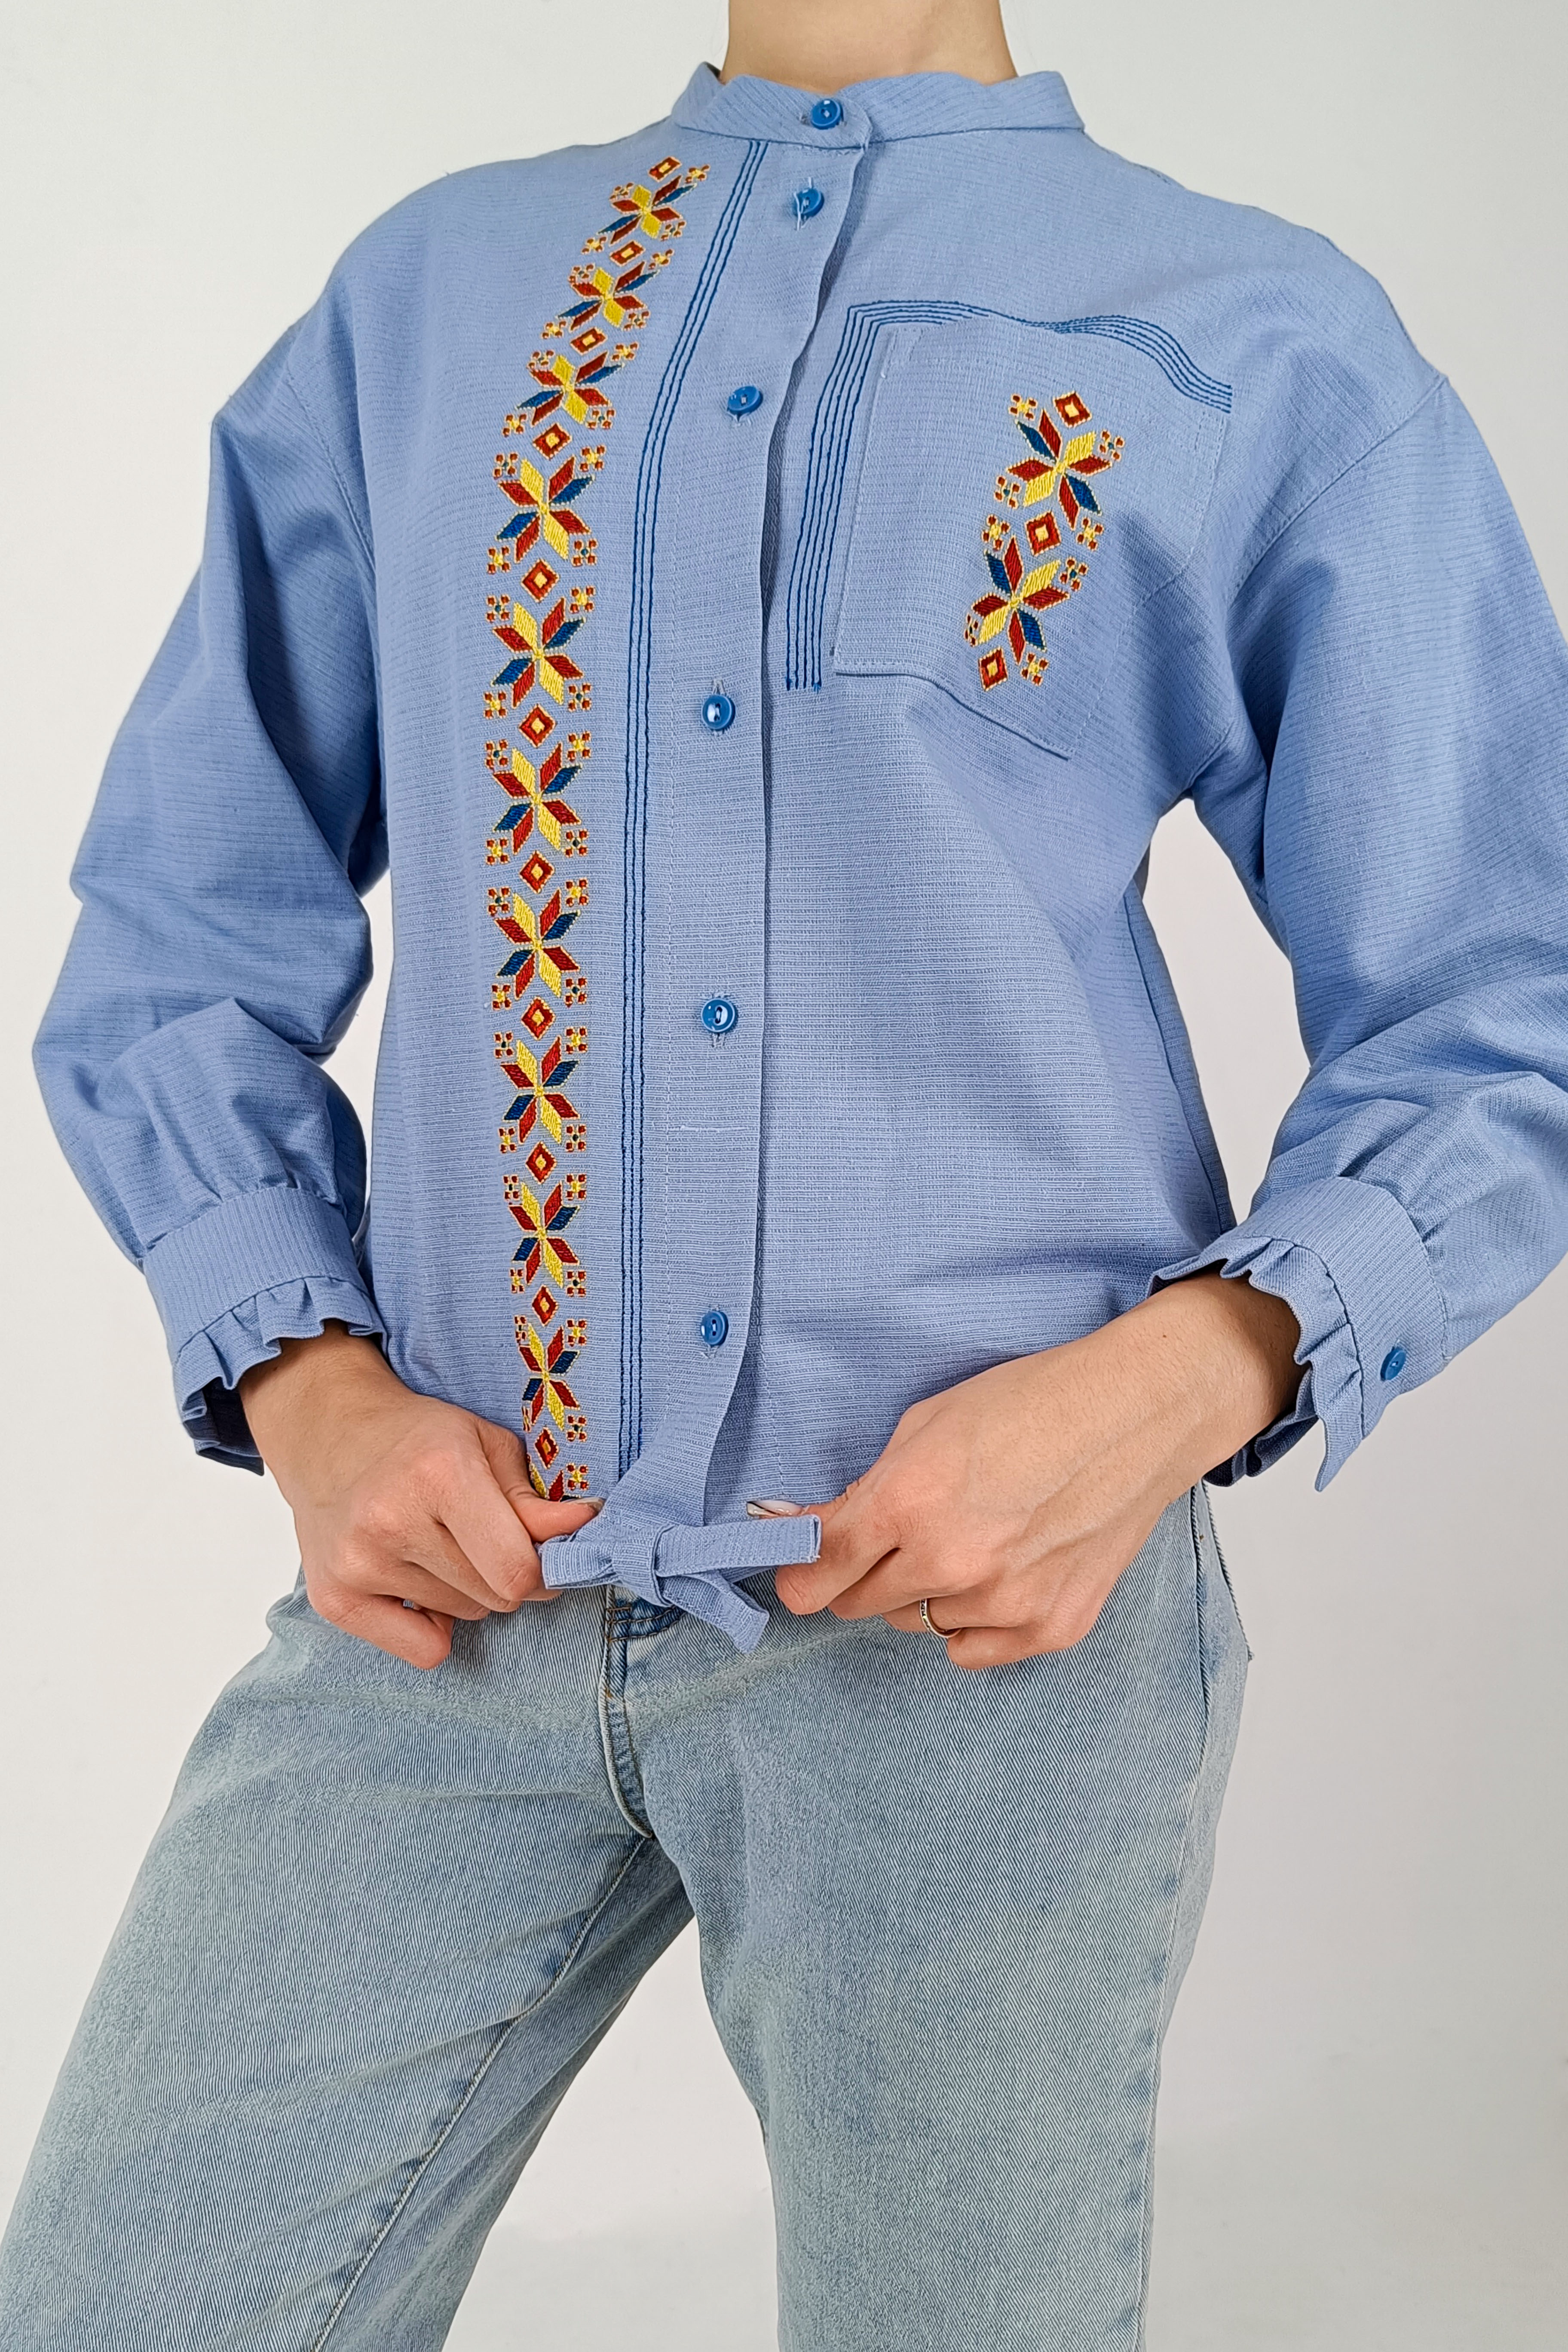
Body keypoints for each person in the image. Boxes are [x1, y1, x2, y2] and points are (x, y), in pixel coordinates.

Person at [6, 0, 1566, 2340]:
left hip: (982, 1645)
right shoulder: (429, 301)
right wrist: (306, 1385)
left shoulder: (1253, 331)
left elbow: (1506, 993)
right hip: (447, 1606)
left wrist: (1186, 1381)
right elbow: (178, 934)